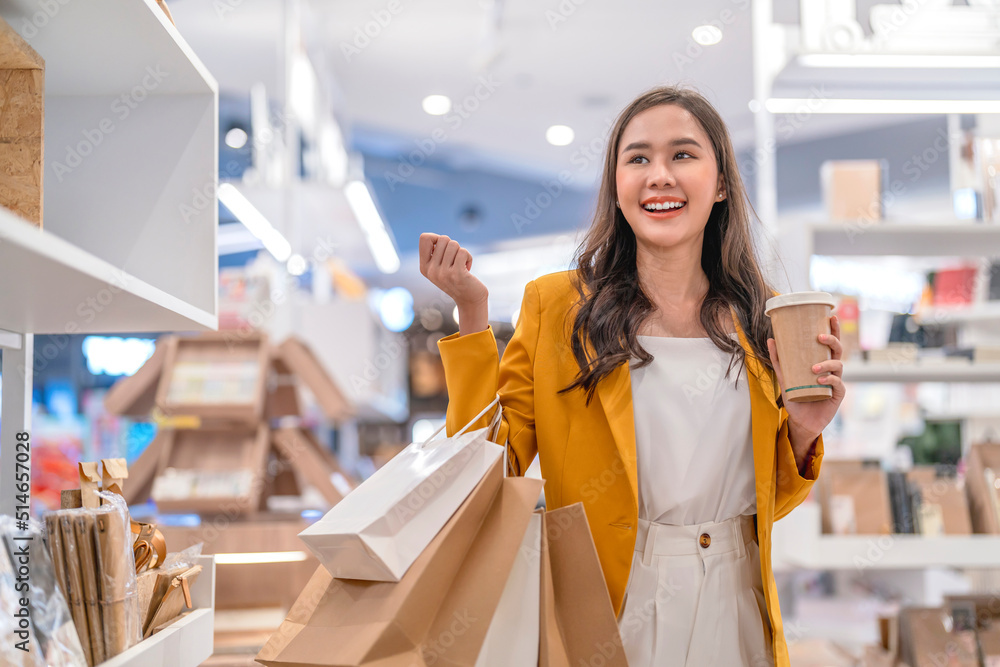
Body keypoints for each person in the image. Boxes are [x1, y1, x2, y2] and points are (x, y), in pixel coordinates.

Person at [418, 85, 845, 667]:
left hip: (736, 596)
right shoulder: (558, 307)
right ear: (616, 188)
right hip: (607, 603)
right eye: (637, 158)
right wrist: (470, 315)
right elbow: (487, 467)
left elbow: (767, 504)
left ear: (720, 184)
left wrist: (801, 433)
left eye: (683, 155)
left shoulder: (761, 314)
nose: (659, 175)